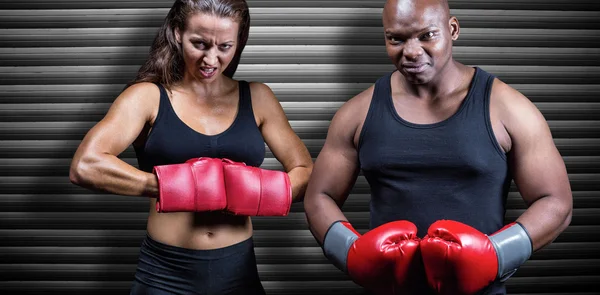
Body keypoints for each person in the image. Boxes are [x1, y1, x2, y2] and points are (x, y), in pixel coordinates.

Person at [303, 0, 573, 294]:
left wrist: (497, 255)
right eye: (396, 39)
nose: (411, 51)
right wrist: (350, 252)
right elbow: (319, 197)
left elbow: (556, 203)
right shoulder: (357, 113)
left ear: (452, 29)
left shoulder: (507, 107)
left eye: (426, 35)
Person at [69, 0, 313, 294]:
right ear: (176, 33)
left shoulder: (258, 97)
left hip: (239, 273)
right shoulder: (148, 97)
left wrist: (260, 190)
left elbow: (307, 172)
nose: (210, 59)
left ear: (239, 42)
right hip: (165, 275)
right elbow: (86, 165)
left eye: (224, 47)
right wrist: (173, 187)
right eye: (199, 44)